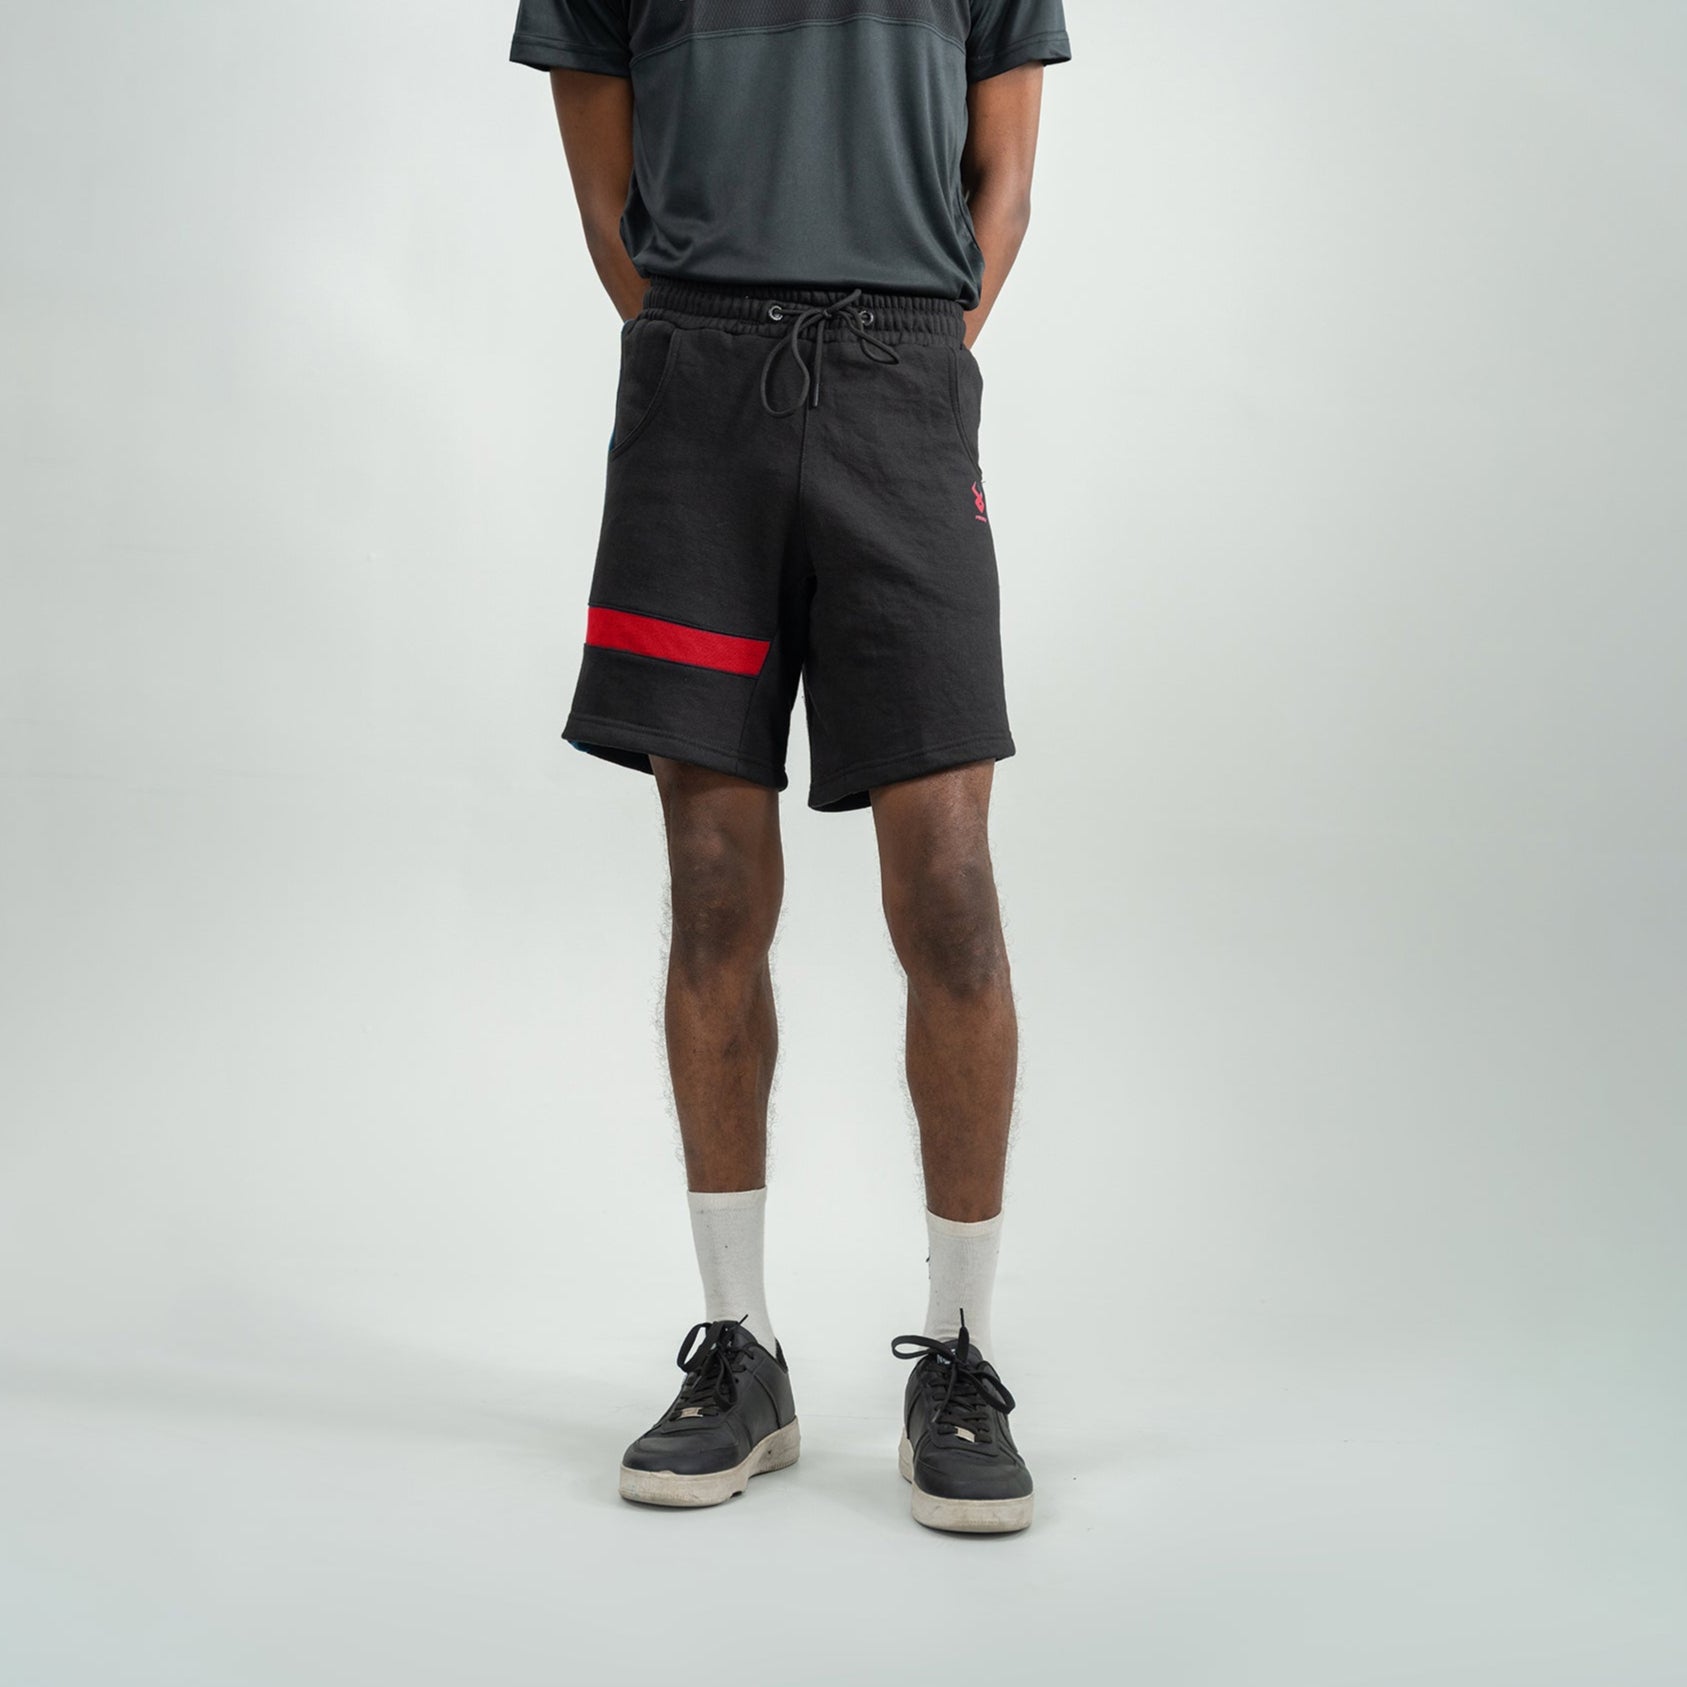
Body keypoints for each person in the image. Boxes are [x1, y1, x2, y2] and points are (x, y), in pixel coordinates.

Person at [509, 0, 1070, 1534]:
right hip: (697, 398)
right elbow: (605, 201)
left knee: (949, 888)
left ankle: (960, 1356)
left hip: (904, 384)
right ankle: (739, 1352)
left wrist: (907, 358)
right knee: (710, 886)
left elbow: (1006, 183)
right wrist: (705, 342)